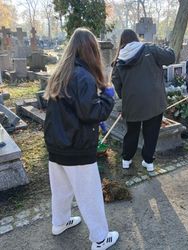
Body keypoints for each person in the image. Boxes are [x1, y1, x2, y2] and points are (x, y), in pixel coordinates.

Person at [44, 28, 119, 250]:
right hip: (77, 146)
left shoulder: (61, 72)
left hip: (57, 144)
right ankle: (99, 238)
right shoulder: (83, 76)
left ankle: (59, 222)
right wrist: (107, 100)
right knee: (90, 194)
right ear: (91, 50)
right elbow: (90, 113)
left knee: (61, 189)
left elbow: (74, 109)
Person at [111, 29, 175, 172]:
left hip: (132, 102)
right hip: (154, 100)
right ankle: (148, 161)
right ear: (136, 39)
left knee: (132, 132)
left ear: (122, 42)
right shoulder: (150, 49)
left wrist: (125, 96)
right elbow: (171, 57)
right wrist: (166, 46)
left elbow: (116, 81)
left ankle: (126, 159)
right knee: (151, 132)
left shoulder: (119, 59)